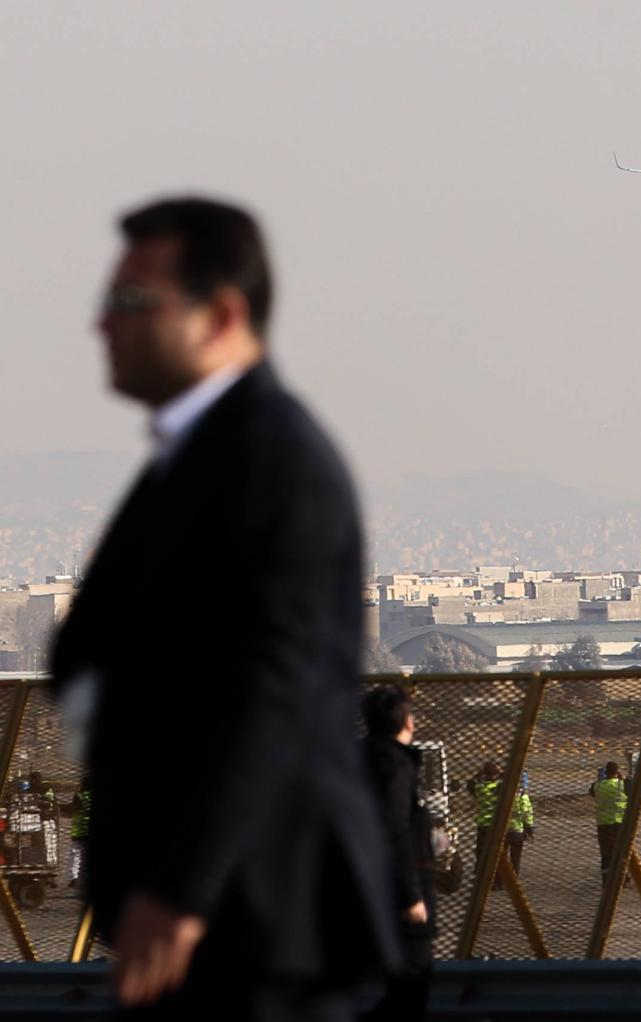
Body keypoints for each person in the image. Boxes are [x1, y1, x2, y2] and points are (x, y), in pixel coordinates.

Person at [50, 196, 396, 1018]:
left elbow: (272, 694)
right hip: (207, 923)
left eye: (132, 303)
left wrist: (177, 886)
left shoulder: (273, 463)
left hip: (256, 926)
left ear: (223, 316)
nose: (104, 325)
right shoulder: (197, 456)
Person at [359, 686, 434, 1022]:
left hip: (370, 887)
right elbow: (395, 832)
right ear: (406, 721)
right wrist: (411, 895)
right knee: (411, 988)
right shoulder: (393, 767)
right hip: (400, 894)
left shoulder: (361, 760)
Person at [471, 762, 534, 887]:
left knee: (496, 857)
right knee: (515, 859)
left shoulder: (490, 791)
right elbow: (527, 812)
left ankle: (495, 881)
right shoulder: (520, 795)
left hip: (495, 828)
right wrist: (529, 828)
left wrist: (480, 774)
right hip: (516, 830)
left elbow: (472, 786)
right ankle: (512, 882)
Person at [589, 763, 629, 876]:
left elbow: (591, 791)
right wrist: (623, 778)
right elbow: (630, 789)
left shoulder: (599, 785)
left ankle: (606, 879)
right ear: (617, 771)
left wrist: (600, 780)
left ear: (606, 772)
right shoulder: (621, 785)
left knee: (606, 855)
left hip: (603, 825)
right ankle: (623, 877)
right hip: (619, 824)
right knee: (622, 851)